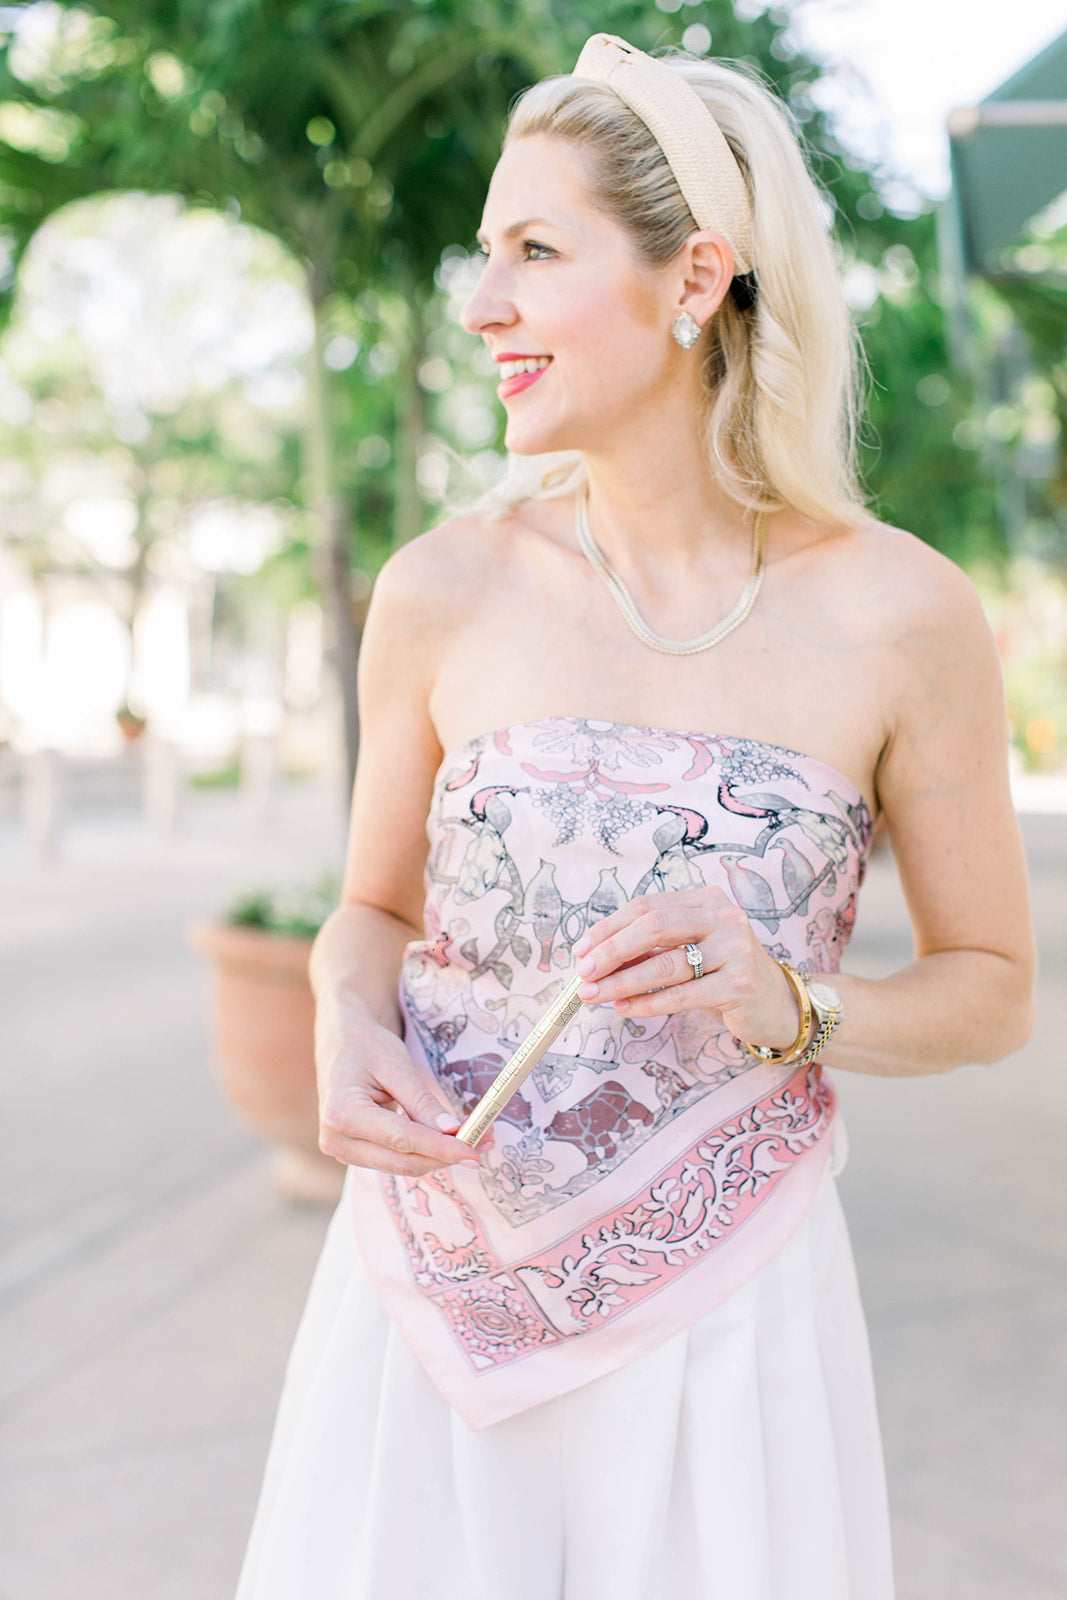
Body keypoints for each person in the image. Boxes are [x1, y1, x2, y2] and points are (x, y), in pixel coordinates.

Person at [234, 33, 1035, 1600]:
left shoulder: (903, 615)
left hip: (727, 1335)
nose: (483, 304)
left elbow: (993, 988)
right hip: (425, 1317)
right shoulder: (442, 589)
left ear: (696, 280)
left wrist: (795, 1003)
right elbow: (370, 913)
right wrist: (347, 1016)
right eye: (486, 252)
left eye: (536, 252)